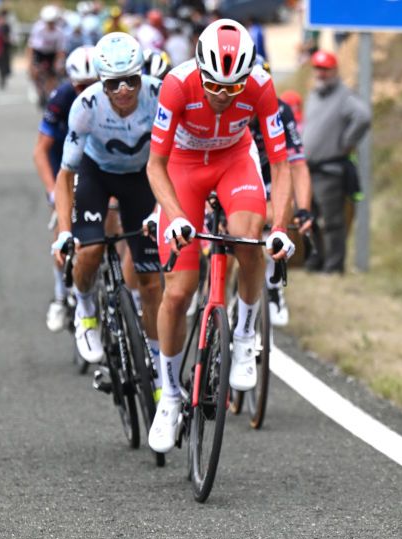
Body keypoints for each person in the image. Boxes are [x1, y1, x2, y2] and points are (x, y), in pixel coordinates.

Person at [145, 18, 295, 454]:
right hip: (183, 168)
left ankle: (245, 337)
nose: (222, 96)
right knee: (178, 291)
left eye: (233, 88)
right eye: (214, 85)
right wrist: (173, 216)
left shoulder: (262, 87)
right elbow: (155, 165)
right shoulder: (176, 85)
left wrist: (280, 226)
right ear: (200, 70)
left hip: (233, 162)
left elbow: (281, 166)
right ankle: (170, 396)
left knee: (249, 238)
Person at [50, 32, 163, 368]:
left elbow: (174, 157)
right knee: (91, 249)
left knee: (150, 280)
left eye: (130, 80)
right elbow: (65, 175)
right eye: (113, 84)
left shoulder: (159, 95)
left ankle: (158, 367)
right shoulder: (86, 106)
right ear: (101, 81)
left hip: (142, 176)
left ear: (141, 74)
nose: (124, 91)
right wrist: (64, 231)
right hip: (96, 173)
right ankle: (85, 310)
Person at [34, 45, 97, 332]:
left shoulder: (110, 98)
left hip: (96, 166)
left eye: (93, 85)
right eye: (81, 86)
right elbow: (40, 151)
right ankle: (60, 298)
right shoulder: (60, 98)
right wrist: (51, 191)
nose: (87, 91)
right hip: (64, 164)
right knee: (62, 232)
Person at [248, 58, 313, 326]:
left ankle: (273, 286)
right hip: (239, 176)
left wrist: (304, 209)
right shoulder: (230, 110)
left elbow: (297, 166)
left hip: (272, 176)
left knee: (276, 217)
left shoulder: (281, 111)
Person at [301, 49, 370, 274]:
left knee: (332, 221)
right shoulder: (314, 94)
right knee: (308, 218)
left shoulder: (344, 96)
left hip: (330, 168)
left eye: (325, 69)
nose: (320, 73)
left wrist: (345, 142)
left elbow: (363, 117)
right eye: (317, 68)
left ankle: (333, 266)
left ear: (334, 70)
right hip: (308, 168)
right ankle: (315, 260)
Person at [27, 5, 66, 106]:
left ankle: (49, 95)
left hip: (52, 54)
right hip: (39, 52)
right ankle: (38, 90)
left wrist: (58, 64)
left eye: (52, 22)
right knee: (35, 72)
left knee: (52, 75)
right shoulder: (38, 28)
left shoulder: (59, 32)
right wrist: (30, 64)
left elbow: (60, 51)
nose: (50, 25)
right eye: (48, 22)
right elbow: (31, 48)